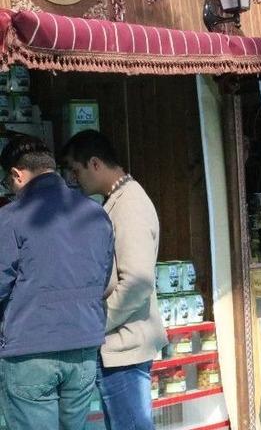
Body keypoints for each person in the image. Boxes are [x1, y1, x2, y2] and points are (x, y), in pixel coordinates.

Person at [0, 135, 114, 428]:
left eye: (8, 183)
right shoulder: (96, 214)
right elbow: (104, 279)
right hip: (84, 347)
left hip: (30, 349)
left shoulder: (10, 218)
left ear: (17, 174)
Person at [62, 130, 168, 428]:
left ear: (95, 164)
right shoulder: (118, 200)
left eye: (76, 170)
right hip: (121, 345)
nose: (74, 178)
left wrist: (97, 323)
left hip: (125, 348)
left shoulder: (129, 204)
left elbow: (137, 281)